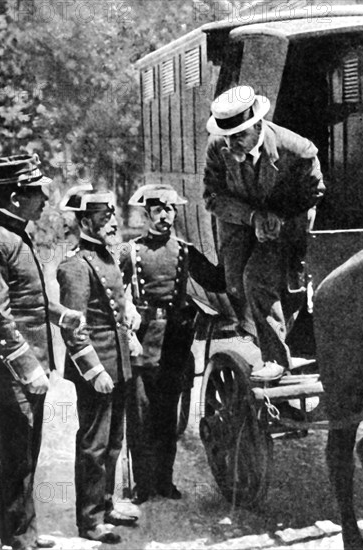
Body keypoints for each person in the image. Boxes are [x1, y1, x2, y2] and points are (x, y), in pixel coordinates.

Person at [0, 154, 85, 550]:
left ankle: (21, 531)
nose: (45, 201)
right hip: (12, 370)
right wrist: (28, 365)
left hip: (30, 367)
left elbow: (26, 298)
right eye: (36, 192)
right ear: (16, 196)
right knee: (19, 455)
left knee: (29, 452)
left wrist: (60, 314)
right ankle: (19, 537)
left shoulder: (17, 234)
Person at [203, 85, 325, 381]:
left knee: (258, 280)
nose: (233, 142)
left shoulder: (296, 149)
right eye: (228, 135)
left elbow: (315, 190)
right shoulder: (218, 147)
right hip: (240, 227)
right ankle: (264, 342)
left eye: (240, 135)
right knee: (238, 288)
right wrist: (253, 216)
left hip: (286, 227)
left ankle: (276, 358)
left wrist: (279, 218)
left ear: (258, 125)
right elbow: (212, 197)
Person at [120, 183, 226, 505]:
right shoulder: (130, 251)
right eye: (157, 210)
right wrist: (124, 314)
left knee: (167, 415)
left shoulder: (184, 250)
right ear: (146, 214)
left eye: (169, 210)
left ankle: (164, 482)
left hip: (175, 343)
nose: (164, 216)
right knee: (140, 417)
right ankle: (143, 484)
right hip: (141, 343)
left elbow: (217, 280)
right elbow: (112, 290)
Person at [56, 185, 140, 544]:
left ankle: (106, 504)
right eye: (104, 217)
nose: (112, 222)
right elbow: (74, 329)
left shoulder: (109, 257)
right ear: (85, 220)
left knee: (113, 442)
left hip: (119, 364)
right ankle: (89, 521)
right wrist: (95, 372)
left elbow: (119, 310)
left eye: (112, 215)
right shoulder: (74, 266)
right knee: (93, 445)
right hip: (98, 370)